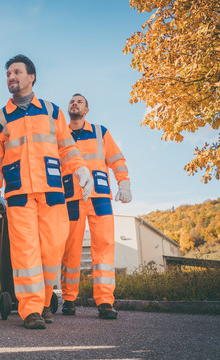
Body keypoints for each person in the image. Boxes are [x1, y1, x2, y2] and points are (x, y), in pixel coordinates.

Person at [0, 55, 93, 329]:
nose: (11, 76)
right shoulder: (0, 119)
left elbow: (67, 147)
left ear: (31, 77)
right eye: (8, 73)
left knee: (52, 250)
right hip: (19, 194)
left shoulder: (52, 111)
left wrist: (81, 170)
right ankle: (30, 310)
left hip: (52, 192)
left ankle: (44, 303)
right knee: (25, 253)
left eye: (17, 72)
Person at [60, 93, 132, 320]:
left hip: (99, 197)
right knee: (70, 249)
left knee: (104, 247)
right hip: (70, 197)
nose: (75, 104)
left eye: (79, 101)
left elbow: (117, 160)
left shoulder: (101, 133)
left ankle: (105, 302)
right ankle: (69, 299)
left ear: (87, 110)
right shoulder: (60, 135)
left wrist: (125, 184)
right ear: (67, 108)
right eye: (72, 101)